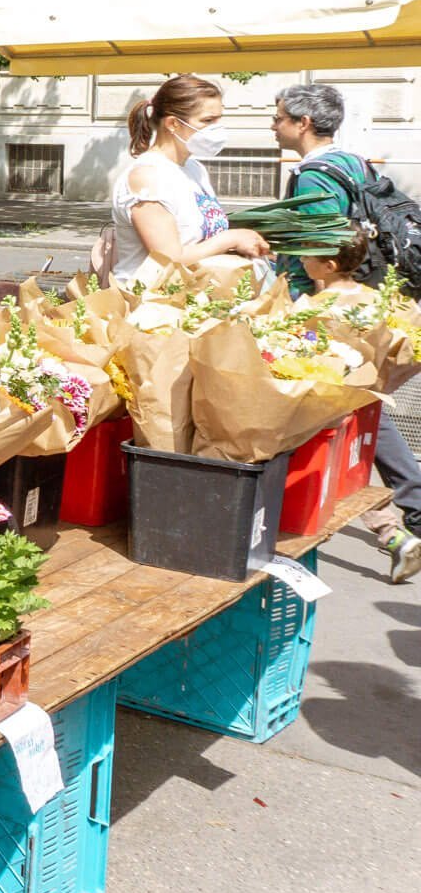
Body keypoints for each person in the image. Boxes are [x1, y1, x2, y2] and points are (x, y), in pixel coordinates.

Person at [295, 238, 421, 582]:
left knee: (344, 477)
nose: (301, 260)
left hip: (326, 406)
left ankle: (395, 535)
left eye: (308, 255)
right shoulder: (376, 300)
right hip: (368, 402)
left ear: (328, 266)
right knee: (358, 466)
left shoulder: (313, 306)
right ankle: (399, 531)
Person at [105, 74, 269, 282]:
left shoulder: (195, 168)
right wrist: (231, 239)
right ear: (173, 124)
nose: (217, 128)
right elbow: (168, 258)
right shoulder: (147, 177)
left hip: (194, 297)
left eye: (219, 119)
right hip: (151, 303)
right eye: (208, 120)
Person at [269, 83, 372, 295]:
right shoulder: (354, 162)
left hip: (312, 297)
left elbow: (323, 249)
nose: (273, 126)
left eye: (278, 119)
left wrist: (320, 309)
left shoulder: (312, 177)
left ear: (303, 123)